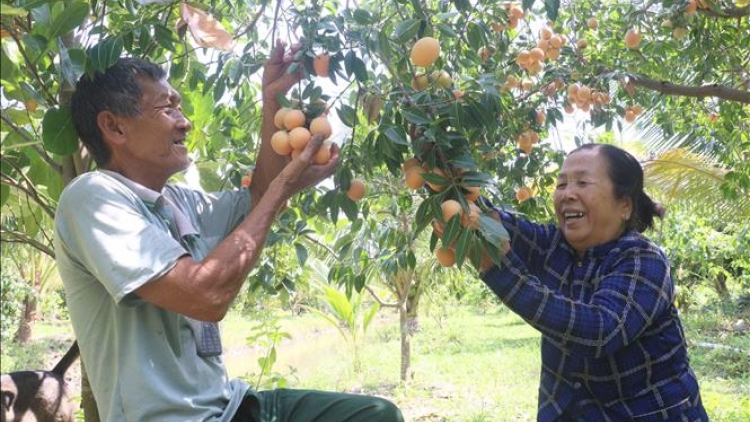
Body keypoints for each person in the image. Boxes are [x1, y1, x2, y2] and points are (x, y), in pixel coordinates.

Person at [54, 41, 404, 422]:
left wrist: (273, 99)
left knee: (375, 415)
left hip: (228, 406)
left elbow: (256, 197)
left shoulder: (175, 201)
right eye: (167, 107)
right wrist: (282, 189)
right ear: (114, 126)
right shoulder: (93, 197)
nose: (184, 121)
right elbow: (205, 294)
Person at [478, 144, 708, 421]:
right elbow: (486, 220)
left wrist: (498, 269)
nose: (567, 193)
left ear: (624, 205)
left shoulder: (644, 261)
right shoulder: (553, 245)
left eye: (583, 182)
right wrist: (442, 168)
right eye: (561, 183)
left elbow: (600, 331)